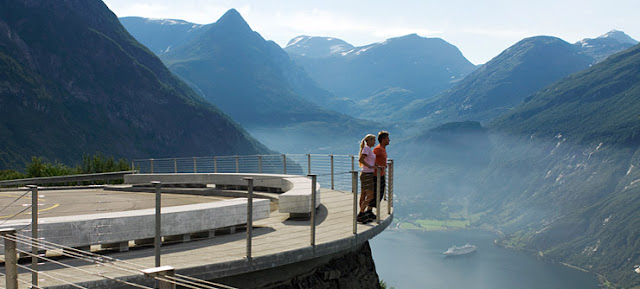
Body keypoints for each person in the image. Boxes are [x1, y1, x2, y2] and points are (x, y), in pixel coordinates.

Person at [369, 131, 390, 215]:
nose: (389, 140)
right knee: (376, 193)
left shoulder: (382, 149)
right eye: (387, 138)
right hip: (376, 175)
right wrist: (377, 166)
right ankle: (368, 211)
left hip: (381, 174)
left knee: (380, 193)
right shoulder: (378, 149)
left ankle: (369, 211)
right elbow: (371, 158)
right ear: (383, 139)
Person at [357, 134, 376, 223]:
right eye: (373, 140)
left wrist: (375, 166)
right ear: (369, 141)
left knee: (364, 195)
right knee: (370, 195)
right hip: (367, 174)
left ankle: (362, 214)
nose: (375, 142)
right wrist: (370, 167)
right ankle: (361, 214)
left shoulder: (367, 149)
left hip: (366, 174)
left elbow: (368, 160)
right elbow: (361, 159)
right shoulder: (367, 148)